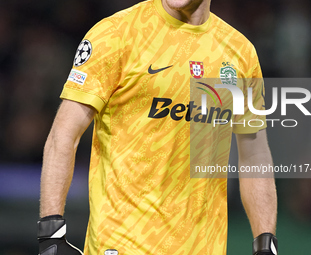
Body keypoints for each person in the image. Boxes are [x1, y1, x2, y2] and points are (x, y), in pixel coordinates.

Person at [37, 0, 278, 254]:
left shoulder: (240, 52)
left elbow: (254, 155)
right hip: (122, 244)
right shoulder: (116, 33)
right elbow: (63, 135)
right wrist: (51, 235)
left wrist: (265, 243)